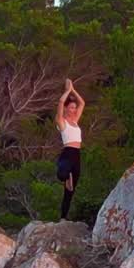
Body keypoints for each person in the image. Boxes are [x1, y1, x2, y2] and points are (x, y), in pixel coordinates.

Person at [55, 78, 85, 220]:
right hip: (67, 153)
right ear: (66, 109)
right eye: (71, 107)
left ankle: (63, 217)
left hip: (77, 155)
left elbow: (82, 103)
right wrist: (67, 91)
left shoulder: (75, 121)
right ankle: (66, 177)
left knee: (70, 191)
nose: (73, 110)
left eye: (74, 108)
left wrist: (73, 90)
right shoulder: (62, 122)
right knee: (62, 175)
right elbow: (61, 103)